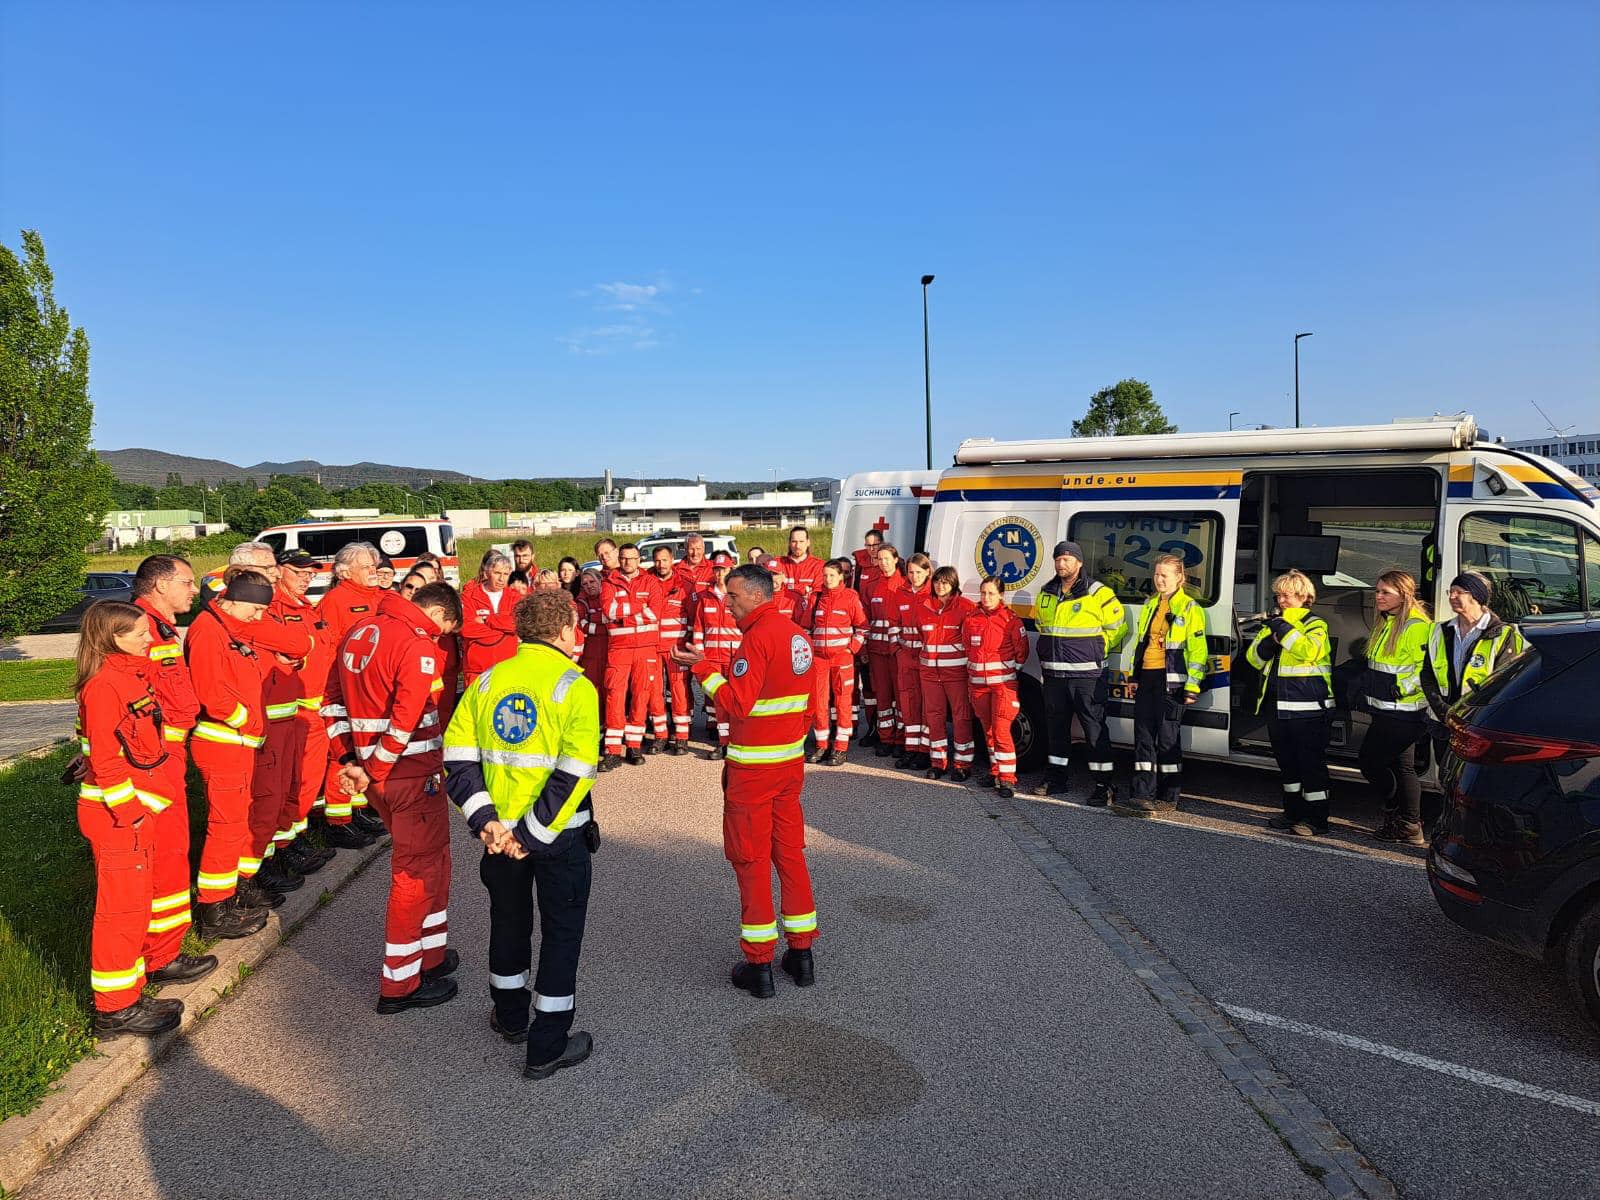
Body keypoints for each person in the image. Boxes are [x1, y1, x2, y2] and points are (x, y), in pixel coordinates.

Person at [443, 589, 599, 1079]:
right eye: (574, 627)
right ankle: (547, 1045)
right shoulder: (575, 686)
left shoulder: (488, 680)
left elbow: (458, 759)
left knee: (508, 922)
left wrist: (487, 821)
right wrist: (530, 835)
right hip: (558, 838)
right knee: (561, 935)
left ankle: (510, 1017)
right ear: (563, 631)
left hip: (498, 837)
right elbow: (575, 772)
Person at [673, 564, 818, 999]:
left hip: (753, 771)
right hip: (789, 766)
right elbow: (808, 705)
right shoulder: (798, 637)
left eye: (733, 596)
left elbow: (737, 703)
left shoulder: (756, 640)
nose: (728, 604)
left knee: (751, 861)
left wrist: (703, 670)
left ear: (757, 595)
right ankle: (802, 955)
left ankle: (759, 965)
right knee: (789, 855)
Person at [76, 602, 216, 1037]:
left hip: (135, 814)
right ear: (113, 638)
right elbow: (105, 760)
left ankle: (135, 988)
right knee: (121, 914)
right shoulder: (105, 686)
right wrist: (132, 814)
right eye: (138, 633)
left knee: (137, 909)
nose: (148, 639)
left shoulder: (129, 677)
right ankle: (115, 1009)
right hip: (119, 819)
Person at [327, 582, 463, 1013]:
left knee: (435, 862)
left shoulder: (358, 630)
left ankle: (430, 955)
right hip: (409, 776)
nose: (439, 638)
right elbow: (405, 721)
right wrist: (373, 769)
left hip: (379, 777)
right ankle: (400, 984)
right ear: (437, 613)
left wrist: (350, 759)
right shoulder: (416, 643)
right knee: (416, 874)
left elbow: (330, 703)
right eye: (443, 630)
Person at [185, 569, 277, 937]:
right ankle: (213, 912)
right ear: (234, 600)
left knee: (234, 825)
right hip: (223, 742)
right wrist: (248, 721)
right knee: (225, 828)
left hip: (235, 743)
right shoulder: (208, 631)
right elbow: (211, 692)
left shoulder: (225, 627)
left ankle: (226, 899)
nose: (258, 617)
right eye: (255, 609)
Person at [128, 554, 208, 970]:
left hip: (167, 757)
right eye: (187, 582)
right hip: (153, 761)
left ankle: (166, 950)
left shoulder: (159, 627)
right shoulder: (137, 629)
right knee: (163, 856)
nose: (194, 590)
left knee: (173, 853)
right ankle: (158, 956)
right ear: (161, 584)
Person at [1032, 540, 1127, 806]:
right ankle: (1056, 778)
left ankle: (1104, 785)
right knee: (1056, 730)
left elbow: (1118, 626)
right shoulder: (1046, 592)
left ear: (1079, 562)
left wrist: (1098, 648)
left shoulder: (1098, 593)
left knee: (1094, 730)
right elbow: (1041, 625)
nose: (1062, 564)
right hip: (1054, 676)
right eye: (1058, 559)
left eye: (1067, 559)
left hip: (1087, 676)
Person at [1245, 569, 1335, 837]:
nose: (1281, 600)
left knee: (1311, 766)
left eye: (1287, 595)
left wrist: (1282, 629)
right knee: (1288, 766)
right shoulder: (1273, 625)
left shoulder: (1315, 624)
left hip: (1309, 709)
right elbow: (1253, 658)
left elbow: (1309, 651)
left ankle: (1317, 819)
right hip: (1278, 707)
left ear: (1304, 596)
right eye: (1278, 595)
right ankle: (1292, 813)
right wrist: (1271, 642)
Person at [269, 550, 340, 878]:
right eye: (299, 572)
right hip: (293, 712)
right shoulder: (274, 608)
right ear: (279, 570)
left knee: (305, 783)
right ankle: (282, 847)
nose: (307, 578)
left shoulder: (306, 607)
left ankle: (295, 837)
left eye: (311, 573)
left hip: (315, 709)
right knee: (288, 783)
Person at [1121, 554, 1208, 817]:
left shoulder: (1190, 608)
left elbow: (1198, 651)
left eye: (1164, 575)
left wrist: (1192, 686)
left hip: (1172, 681)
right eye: (1156, 574)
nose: (1159, 579)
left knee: (1168, 739)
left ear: (1180, 577)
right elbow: (1142, 643)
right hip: (1147, 677)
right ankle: (1141, 794)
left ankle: (1169, 796)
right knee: (1143, 737)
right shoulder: (1151, 604)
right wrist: (1134, 677)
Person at [316, 541, 392, 842]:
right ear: (345, 572)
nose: (373, 570)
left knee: (363, 746)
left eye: (374, 565)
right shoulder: (335, 601)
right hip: (344, 687)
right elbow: (328, 649)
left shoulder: (380, 597)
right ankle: (338, 820)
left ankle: (358, 808)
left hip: (371, 688)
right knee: (343, 751)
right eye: (366, 566)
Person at [1358, 569, 1433, 846]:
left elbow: (1426, 670)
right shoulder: (1388, 622)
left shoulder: (1415, 627)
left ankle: (1396, 813)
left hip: (1403, 712)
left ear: (1403, 595)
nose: (1378, 596)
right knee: (1403, 766)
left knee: (1370, 762)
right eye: (1377, 591)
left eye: (1385, 592)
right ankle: (1410, 824)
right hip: (1387, 709)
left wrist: (1400, 689)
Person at [1423, 570, 1526, 765]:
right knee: (1444, 771)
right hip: (1443, 722)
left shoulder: (1503, 634)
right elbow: (1427, 675)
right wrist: (1445, 712)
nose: (1452, 597)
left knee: (1466, 776)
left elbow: (1503, 685)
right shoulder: (1439, 630)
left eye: (1458, 592)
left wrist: (1468, 717)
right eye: (1450, 592)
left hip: (1476, 726)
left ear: (1476, 596)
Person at [964, 577, 1028, 797]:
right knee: (989, 731)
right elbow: (967, 647)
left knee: (1001, 731)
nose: (986, 597)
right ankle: (995, 772)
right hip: (978, 686)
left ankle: (1008, 779)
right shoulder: (971, 618)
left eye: (991, 593)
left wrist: (1006, 673)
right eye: (983, 593)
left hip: (1002, 686)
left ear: (1001, 595)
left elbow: (1022, 652)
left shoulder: (1010, 620)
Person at [800, 557, 867, 765]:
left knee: (842, 702)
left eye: (832, 575)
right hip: (819, 660)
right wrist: (809, 653)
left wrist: (851, 649)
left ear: (840, 577)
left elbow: (862, 628)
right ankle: (822, 745)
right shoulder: (817, 597)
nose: (828, 579)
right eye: (825, 575)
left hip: (842, 659)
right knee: (819, 702)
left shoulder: (850, 597)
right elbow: (806, 628)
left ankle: (841, 748)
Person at [599, 544, 661, 768]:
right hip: (619, 649)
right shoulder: (609, 582)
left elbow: (655, 613)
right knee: (614, 696)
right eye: (624, 558)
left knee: (641, 695)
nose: (628, 562)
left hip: (646, 648)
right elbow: (609, 611)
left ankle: (634, 746)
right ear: (619, 558)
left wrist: (623, 616)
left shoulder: (650, 582)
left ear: (639, 559)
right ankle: (613, 751)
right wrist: (639, 607)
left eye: (632, 558)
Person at [918, 565, 976, 780]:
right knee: (934, 718)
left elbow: (970, 641)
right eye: (937, 581)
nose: (940, 585)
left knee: (961, 718)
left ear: (953, 584)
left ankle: (962, 764)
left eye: (945, 582)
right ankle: (938, 763)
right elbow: (921, 636)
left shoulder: (966, 607)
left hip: (956, 673)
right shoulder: (924, 607)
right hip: (930, 674)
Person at [690, 551, 741, 757]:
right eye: (717, 570)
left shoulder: (738, 596)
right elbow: (698, 628)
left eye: (724, 570)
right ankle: (723, 742)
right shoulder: (705, 597)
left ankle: (738, 740)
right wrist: (700, 655)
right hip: (712, 657)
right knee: (719, 700)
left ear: (731, 571)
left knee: (736, 700)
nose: (720, 574)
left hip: (734, 658)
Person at [863, 543, 907, 756]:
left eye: (887, 558)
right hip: (877, 651)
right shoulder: (871, 586)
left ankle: (901, 739)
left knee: (901, 695)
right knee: (882, 697)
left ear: (896, 559)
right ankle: (886, 738)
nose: (883, 563)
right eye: (880, 559)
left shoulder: (905, 584)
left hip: (897, 651)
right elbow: (865, 618)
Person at [650, 545, 695, 753]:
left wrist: (688, 645)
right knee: (654, 691)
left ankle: (682, 737)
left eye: (665, 560)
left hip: (677, 648)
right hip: (652, 647)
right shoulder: (647, 582)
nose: (661, 564)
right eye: (657, 560)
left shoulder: (685, 585)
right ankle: (660, 735)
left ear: (672, 560)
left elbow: (693, 618)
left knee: (679, 690)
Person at [892, 553, 933, 770]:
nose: (914, 576)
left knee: (927, 705)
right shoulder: (901, 593)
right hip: (906, 656)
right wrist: (897, 650)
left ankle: (924, 751)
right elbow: (893, 624)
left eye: (918, 572)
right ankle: (911, 748)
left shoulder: (933, 594)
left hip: (926, 657)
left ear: (927, 572)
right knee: (908, 703)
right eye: (910, 572)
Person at [460, 550, 519, 686]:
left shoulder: (514, 597)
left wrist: (487, 620)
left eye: (505, 574)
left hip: (507, 668)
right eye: (497, 573)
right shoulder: (469, 596)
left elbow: (517, 625)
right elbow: (466, 629)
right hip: (477, 670)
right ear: (486, 573)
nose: (501, 579)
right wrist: (504, 628)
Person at [576, 568, 608, 695]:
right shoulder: (581, 601)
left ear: (600, 580)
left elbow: (612, 617)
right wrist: (604, 626)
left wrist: (591, 619)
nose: (589, 586)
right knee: (591, 689)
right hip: (590, 653)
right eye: (585, 584)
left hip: (609, 650)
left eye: (592, 581)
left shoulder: (608, 597)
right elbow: (582, 624)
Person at [783, 526, 825, 600]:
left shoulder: (819, 565)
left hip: (809, 607)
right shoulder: (779, 564)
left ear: (808, 542)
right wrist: (804, 588)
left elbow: (817, 593)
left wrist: (788, 587)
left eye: (801, 541)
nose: (797, 546)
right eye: (794, 541)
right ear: (789, 543)